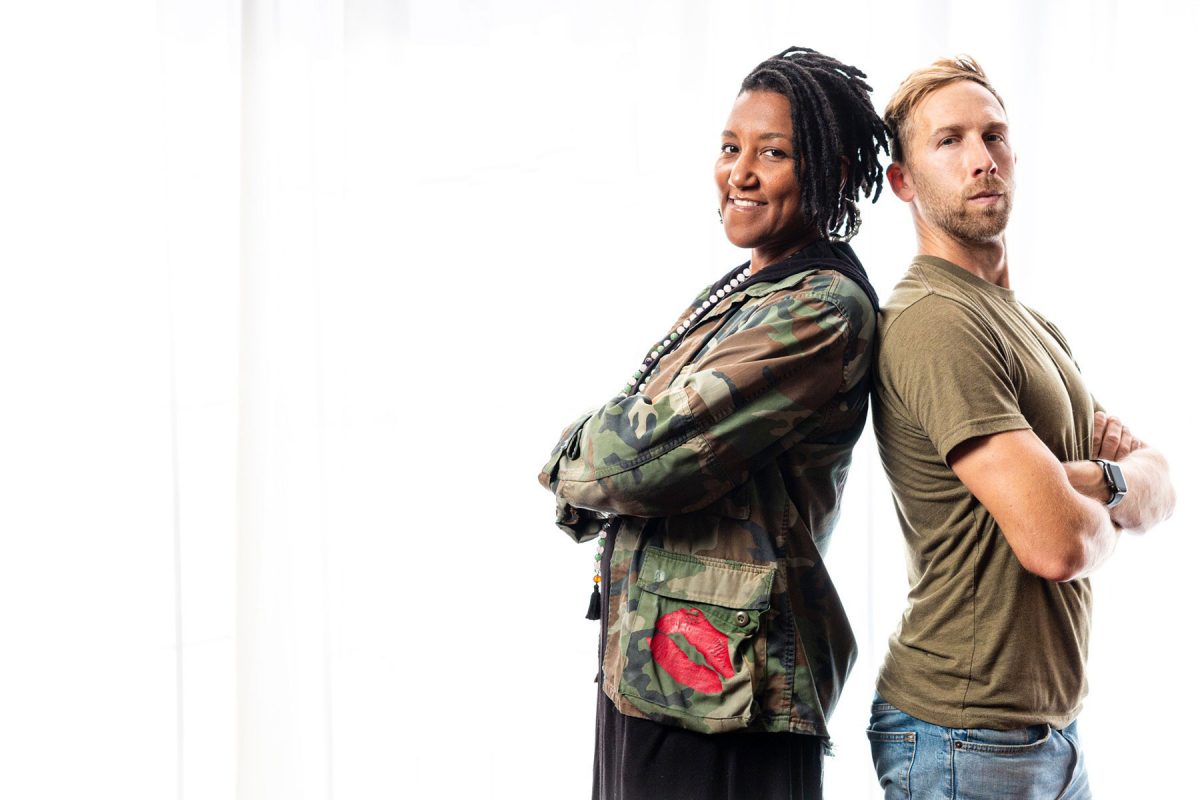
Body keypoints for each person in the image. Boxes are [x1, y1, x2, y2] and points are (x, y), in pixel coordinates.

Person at [538, 47, 889, 799]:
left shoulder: (820, 309)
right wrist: (609, 449)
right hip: (654, 672)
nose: (742, 173)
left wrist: (575, 455)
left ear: (826, 173)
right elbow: (636, 435)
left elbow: (645, 458)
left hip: (730, 699)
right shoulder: (746, 290)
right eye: (731, 148)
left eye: (774, 153)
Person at [867, 56, 1176, 798]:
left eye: (994, 135)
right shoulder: (936, 322)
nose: (981, 159)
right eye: (949, 142)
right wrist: (1100, 495)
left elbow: (1161, 484)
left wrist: (1091, 479)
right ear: (903, 181)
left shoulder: (1032, 326)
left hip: (1048, 737)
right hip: (964, 739)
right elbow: (1059, 542)